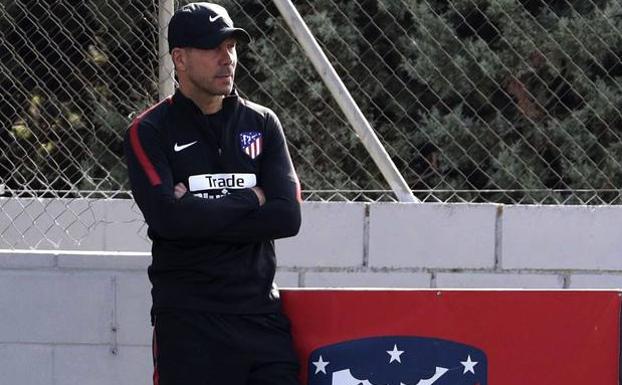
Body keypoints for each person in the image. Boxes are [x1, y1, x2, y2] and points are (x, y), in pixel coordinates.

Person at [124, 3, 302, 384]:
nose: (227, 58)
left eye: (232, 46)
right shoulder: (150, 130)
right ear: (180, 58)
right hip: (190, 324)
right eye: (213, 48)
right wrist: (252, 198)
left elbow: (287, 217)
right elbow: (168, 220)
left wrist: (195, 209)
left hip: (261, 320)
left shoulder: (262, 122)